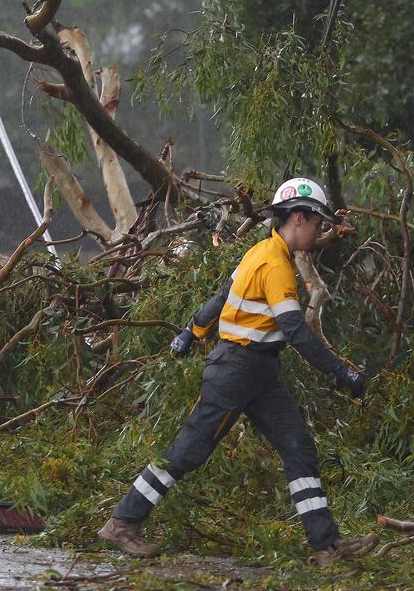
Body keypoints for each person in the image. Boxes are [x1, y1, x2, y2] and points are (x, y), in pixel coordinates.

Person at [98, 177, 377, 567]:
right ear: (299, 217)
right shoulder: (275, 264)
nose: (318, 232)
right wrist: (340, 372)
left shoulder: (258, 252)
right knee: (187, 452)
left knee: (298, 447)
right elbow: (296, 331)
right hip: (235, 372)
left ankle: (326, 546)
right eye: (317, 224)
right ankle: (123, 522)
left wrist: (191, 331)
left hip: (261, 374)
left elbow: (220, 298)